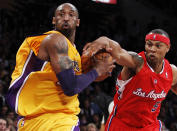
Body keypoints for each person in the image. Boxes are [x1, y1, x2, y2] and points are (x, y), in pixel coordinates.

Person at [5, 3, 115, 131]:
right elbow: (70, 87)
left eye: (71, 15)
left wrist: (95, 72)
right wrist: (98, 70)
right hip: (48, 121)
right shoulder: (55, 40)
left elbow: (75, 83)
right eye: (61, 14)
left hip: (50, 121)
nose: (66, 18)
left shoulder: (74, 53)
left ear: (78, 22)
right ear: (54, 20)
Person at [83, 29, 177, 130]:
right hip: (122, 124)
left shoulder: (172, 72)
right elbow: (118, 52)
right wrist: (104, 40)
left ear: (168, 47)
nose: (152, 49)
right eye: (149, 44)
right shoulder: (136, 62)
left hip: (149, 126)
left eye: (158, 46)